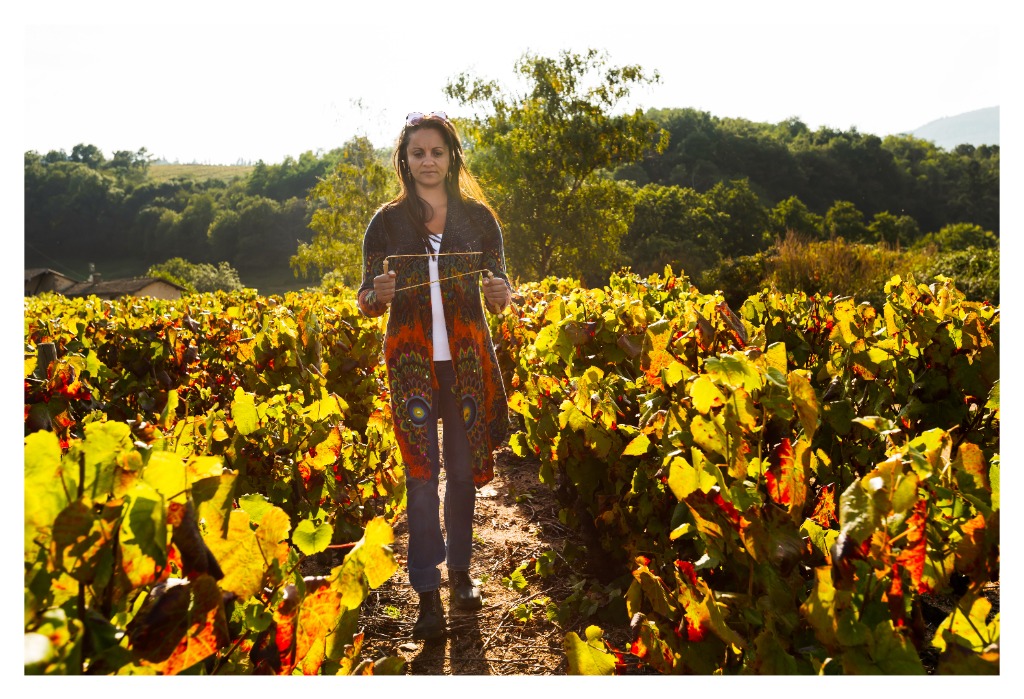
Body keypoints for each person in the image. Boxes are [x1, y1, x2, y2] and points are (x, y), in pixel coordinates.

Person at [356, 111, 512, 640]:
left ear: (452, 157)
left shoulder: (480, 220)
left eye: (437, 152)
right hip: (410, 367)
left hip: (467, 364)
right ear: (405, 159)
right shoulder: (386, 222)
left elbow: (501, 285)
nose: (428, 161)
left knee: (463, 475)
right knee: (422, 480)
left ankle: (461, 574)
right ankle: (426, 590)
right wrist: (375, 297)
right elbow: (366, 301)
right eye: (417, 152)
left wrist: (501, 295)